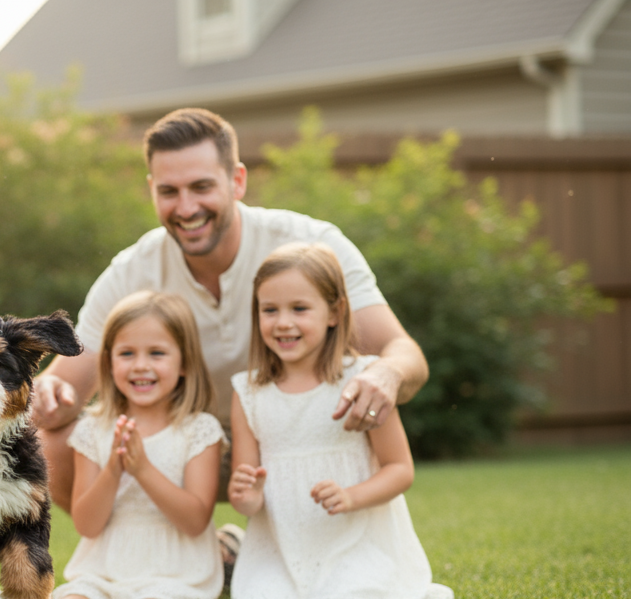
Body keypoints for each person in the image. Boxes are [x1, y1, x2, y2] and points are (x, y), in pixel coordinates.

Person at [32, 108, 430, 518]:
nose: (186, 208)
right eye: (169, 191)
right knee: (53, 443)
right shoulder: (131, 271)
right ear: (152, 189)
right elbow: (63, 388)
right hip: (178, 443)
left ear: (237, 180)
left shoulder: (311, 244)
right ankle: (162, 561)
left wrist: (387, 373)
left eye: (201, 187)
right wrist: (47, 396)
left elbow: (402, 351)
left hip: (289, 438)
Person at [227, 243, 453, 599]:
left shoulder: (363, 379)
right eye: (270, 310)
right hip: (283, 551)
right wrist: (245, 496)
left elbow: (400, 469)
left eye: (299, 308)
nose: (283, 322)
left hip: (355, 544)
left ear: (335, 312)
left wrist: (351, 496)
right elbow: (249, 492)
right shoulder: (248, 393)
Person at [51, 291, 228, 599]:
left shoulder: (198, 430)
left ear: (185, 363)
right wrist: (114, 470)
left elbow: (194, 519)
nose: (141, 365)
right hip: (104, 567)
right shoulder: (93, 429)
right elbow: (86, 524)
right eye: (127, 353)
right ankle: (100, 597)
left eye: (157, 353)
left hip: (174, 569)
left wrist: (143, 470)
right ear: (110, 362)